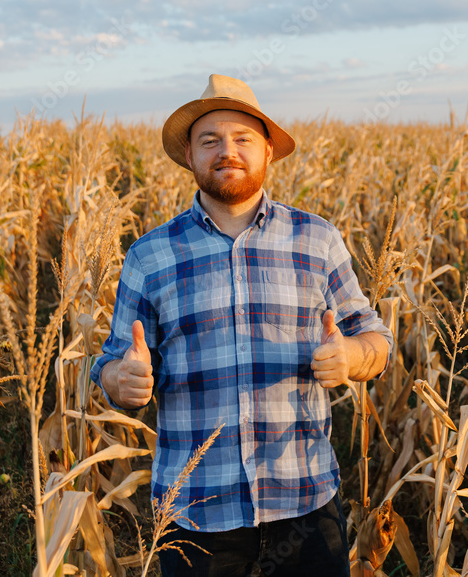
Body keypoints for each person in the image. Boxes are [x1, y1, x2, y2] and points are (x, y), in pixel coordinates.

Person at [88, 74, 394, 577]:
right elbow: (112, 361)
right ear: (189, 155)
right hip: (195, 510)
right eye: (210, 140)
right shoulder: (151, 256)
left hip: (304, 500)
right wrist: (121, 378)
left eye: (242, 138)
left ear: (268, 151)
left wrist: (352, 358)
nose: (226, 151)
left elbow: (375, 338)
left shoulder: (316, 240)